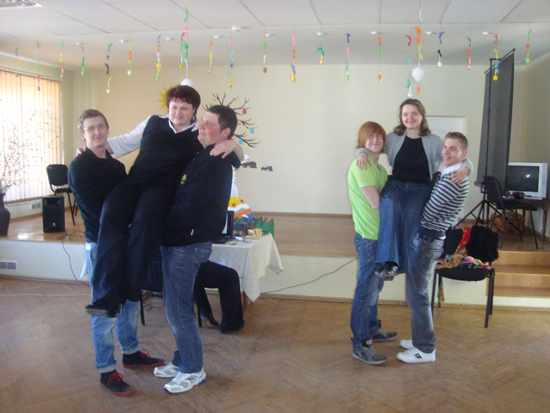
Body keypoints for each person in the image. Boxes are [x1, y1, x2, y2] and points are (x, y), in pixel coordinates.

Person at [85, 85, 243, 316]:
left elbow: (235, 157)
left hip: (162, 190)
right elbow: (122, 142)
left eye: (184, 108)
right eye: (174, 106)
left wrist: (233, 144)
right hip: (134, 183)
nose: (177, 112)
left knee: (143, 225)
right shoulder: (152, 123)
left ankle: (127, 293)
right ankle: (104, 296)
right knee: (109, 216)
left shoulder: (199, 134)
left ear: (194, 111)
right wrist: (88, 149)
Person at [68, 109, 164, 396]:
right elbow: (96, 212)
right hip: (101, 246)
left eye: (101, 126)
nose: (97, 132)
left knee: (131, 299)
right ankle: (106, 370)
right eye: (90, 128)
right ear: (82, 134)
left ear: (107, 129)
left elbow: (128, 200)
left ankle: (131, 352)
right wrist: (129, 224)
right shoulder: (79, 167)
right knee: (105, 307)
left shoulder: (116, 167)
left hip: (125, 241)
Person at [152, 105, 238, 393]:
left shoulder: (214, 160)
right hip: (180, 243)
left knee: (178, 311)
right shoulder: (205, 154)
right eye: (203, 120)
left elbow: (187, 209)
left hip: (185, 246)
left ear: (224, 132)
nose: (202, 125)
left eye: (209, 123)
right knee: (177, 307)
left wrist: (157, 228)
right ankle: (182, 359)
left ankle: (192, 368)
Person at [356, 99, 472, 280]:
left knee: (412, 214)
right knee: (388, 205)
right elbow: (370, 144)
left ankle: (403, 263)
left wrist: (466, 168)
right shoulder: (393, 138)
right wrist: (361, 153)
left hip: (421, 187)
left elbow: (460, 154)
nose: (409, 117)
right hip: (397, 183)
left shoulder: (434, 141)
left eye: (414, 113)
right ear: (401, 117)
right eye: (405, 114)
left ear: (422, 116)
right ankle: (389, 263)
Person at [397, 132, 470, 363]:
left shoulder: (452, 180)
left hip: (427, 239)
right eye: (445, 147)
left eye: (453, 148)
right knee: (416, 292)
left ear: (463, 154)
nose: (446, 152)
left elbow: (427, 213)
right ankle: (420, 338)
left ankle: (425, 349)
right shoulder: (452, 171)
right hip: (428, 238)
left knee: (417, 294)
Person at [348, 121, 396, 366]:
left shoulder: (379, 168)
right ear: (362, 140)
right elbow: (376, 202)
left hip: (380, 236)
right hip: (369, 237)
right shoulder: (363, 165)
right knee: (366, 291)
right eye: (370, 137)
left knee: (375, 289)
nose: (375, 140)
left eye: (379, 136)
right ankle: (360, 344)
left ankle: (371, 329)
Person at [194, 260, 245, 334]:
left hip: (182, 268)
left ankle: (204, 311)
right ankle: (230, 325)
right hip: (188, 267)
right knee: (231, 276)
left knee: (192, 278)